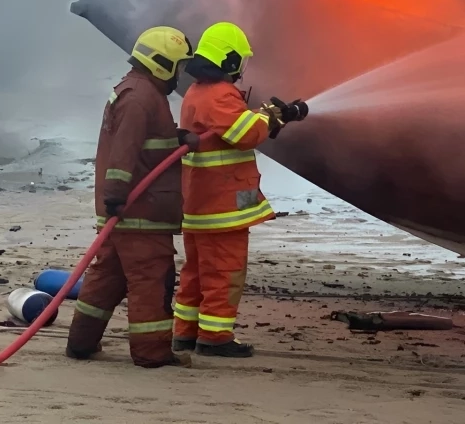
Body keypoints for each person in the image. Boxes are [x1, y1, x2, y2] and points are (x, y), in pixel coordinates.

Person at [66, 26, 199, 368]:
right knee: (151, 281)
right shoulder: (141, 98)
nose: (179, 75)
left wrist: (179, 138)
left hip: (125, 212)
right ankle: (151, 352)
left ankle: (81, 343)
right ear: (161, 64)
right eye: (178, 66)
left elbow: (146, 146)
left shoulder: (135, 91)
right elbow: (124, 154)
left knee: (107, 278)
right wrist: (116, 196)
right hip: (140, 213)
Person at [172, 21, 308, 357]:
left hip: (200, 205)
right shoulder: (219, 94)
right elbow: (245, 133)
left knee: (196, 272)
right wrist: (268, 118)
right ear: (229, 60)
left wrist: (267, 117)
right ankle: (215, 337)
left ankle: (186, 332)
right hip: (222, 207)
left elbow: (232, 127)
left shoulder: (196, 91)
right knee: (224, 272)